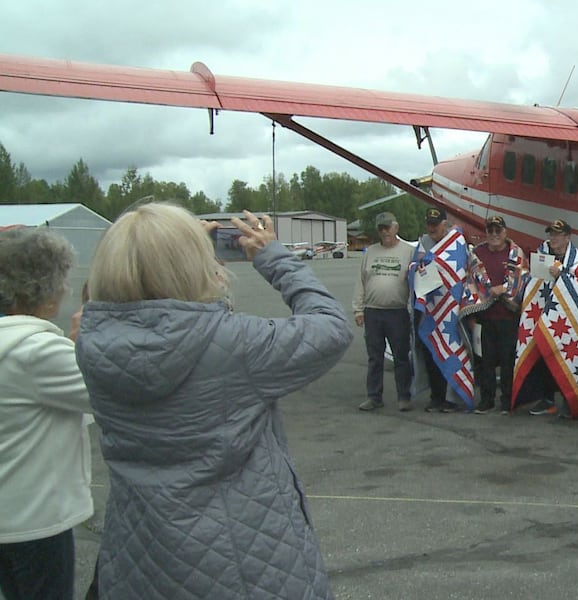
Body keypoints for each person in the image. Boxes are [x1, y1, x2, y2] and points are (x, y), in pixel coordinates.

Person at [74, 203, 352, 599]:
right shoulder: (236, 344)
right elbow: (331, 327)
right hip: (243, 563)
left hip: (138, 557)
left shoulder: (91, 343)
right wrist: (273, 257)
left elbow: (146, 316)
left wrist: (169, 258)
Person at [0, 227, 93, 600]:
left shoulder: (17, 347)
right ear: (46, 287)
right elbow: (109, 390)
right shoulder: (37, 352)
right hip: (36, 523)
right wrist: (88, 338)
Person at [513, 219, 578, 418]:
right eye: (551, 234)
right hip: (544, 314)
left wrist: (562, 275)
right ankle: (548, 399)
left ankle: (571, 400)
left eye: (557, 235)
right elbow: (534, 280)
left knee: (570, 356)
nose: (553, 238)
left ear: (567, 237)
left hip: (568, 321)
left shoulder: (576, 260)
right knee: (543, 353)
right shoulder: (542, 253)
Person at [410, 206, 477, 412]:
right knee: (432, 354)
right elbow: (412, 268)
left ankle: (452, 398)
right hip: (429, 311)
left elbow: (463, 271)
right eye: (429, 224)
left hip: (451, 310)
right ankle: (436, 396)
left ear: (444, 224)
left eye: (435, 224)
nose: (432, 228)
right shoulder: (422, 245)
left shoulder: (457, 244)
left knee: (453, 351)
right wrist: (417, 267)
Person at [354, 211, 416, 412]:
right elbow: (361, 282)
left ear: (396, 227)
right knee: (374, 357)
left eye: (387, 227)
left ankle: (404, 396)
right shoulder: (370, 252)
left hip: (397, 312)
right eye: (381, 228)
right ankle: (374, 396)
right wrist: (358, 309)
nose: (384, 231)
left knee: (401, 357)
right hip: (373, 312)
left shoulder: (409, 252)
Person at [468, 215, 526, 414]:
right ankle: (486, 400)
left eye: (498, 231)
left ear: (505, 232)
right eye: (490, 231)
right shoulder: (477, 253)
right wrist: (486, 293)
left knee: (508, 361)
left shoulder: (516, 253)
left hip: (508, 317)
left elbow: (522, 280)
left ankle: (507, 401)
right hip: (484, 316)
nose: (494, 235)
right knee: (485, 361)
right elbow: (471, 282)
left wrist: (504, 289)